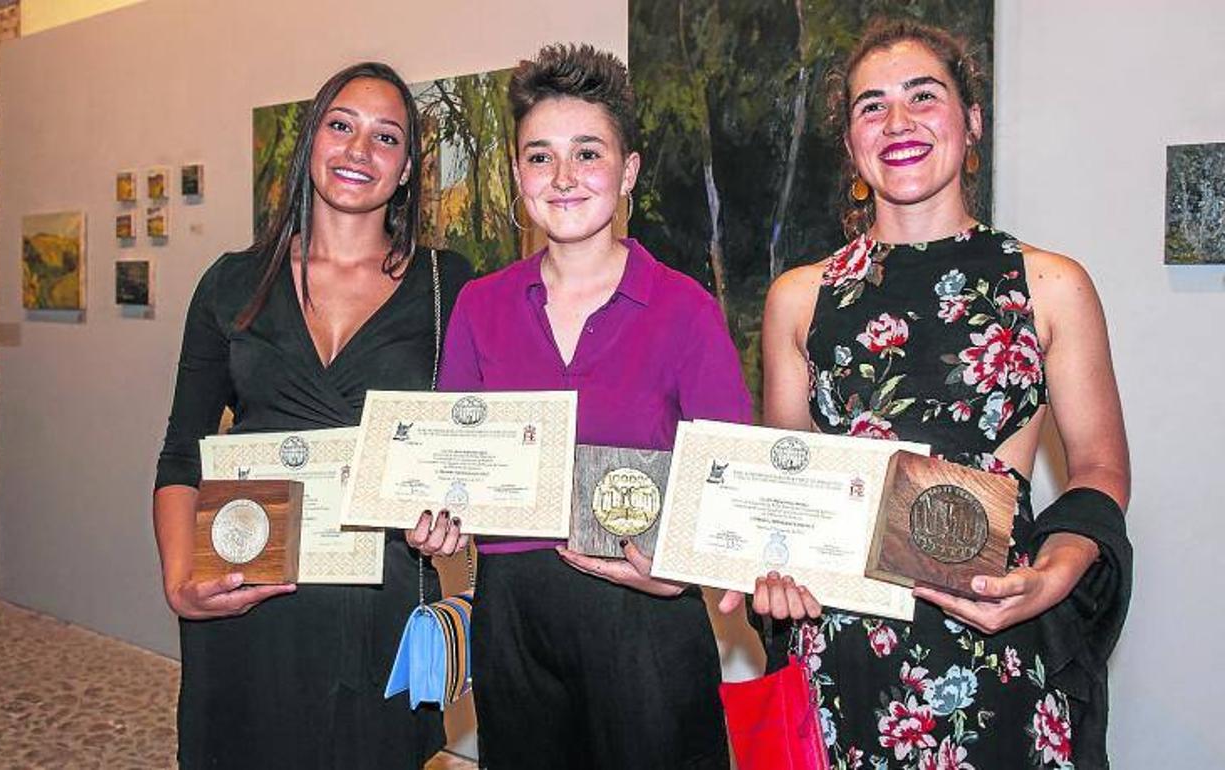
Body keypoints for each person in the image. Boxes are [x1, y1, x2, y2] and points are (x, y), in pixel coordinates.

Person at [748, 18, 1132, 768]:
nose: (898, 121)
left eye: (923, 96)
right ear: (851, 140)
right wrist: (773, 569)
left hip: (994, 648)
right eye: (872, 106)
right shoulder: (797, 297)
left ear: (971, 119)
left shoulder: (1051, 283)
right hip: (838, 659)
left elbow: (1100, 469)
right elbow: (786, 483)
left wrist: (1055, 573)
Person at [413, 44, 750, 769]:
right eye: (540, 157)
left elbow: (733, 484)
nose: (563, 177)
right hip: (513, 624)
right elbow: (449, 464)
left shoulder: (685, 309)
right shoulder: (479, 306)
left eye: (588, 153)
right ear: (518, 174)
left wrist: (680, 571)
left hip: (646, 623)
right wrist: (435, 518)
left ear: (627, 171)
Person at [153, 62, 471, 769]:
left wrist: (455, 512)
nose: (359, 150)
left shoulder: (448, 285)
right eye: (341, 125)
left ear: (407, 168)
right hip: (248, 598)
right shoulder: (231, 282)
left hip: (380, 606)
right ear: (311, 140)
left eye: (385, 137)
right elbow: (182, 453)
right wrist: (180, 583)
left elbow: (472, 445)